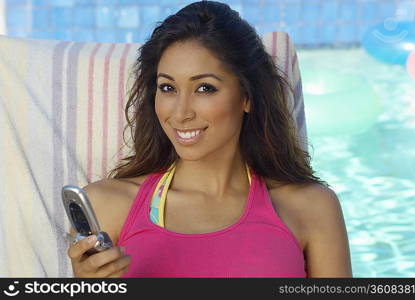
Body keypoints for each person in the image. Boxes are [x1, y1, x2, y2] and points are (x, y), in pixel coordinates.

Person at [67, 0, 352, 278]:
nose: (180, 113)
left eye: (204, 88)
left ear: (247, 97)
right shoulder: (106, 205)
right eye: (167, 87)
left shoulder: (311, 208)